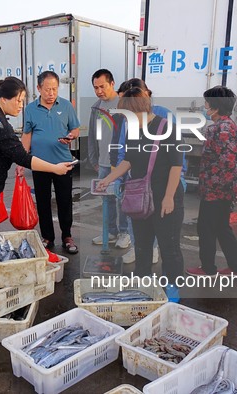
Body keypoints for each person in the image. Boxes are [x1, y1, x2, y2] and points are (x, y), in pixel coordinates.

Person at [0, 77, 73, 266]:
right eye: (18, 100)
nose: (21, 105)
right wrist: (55, 168)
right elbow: (22, 157)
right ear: (4, 99)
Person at [97, 87, 185, 301]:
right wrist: (109, 178)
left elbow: (176, 166)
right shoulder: (134, 129)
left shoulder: (168, 128)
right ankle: (142, 286)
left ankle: (172, 289)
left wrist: (168, 197)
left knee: (169, 247)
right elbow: (128, 160)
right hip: (140, 199)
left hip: (166, 198)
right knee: (143, 246)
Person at [186, 86, 237, 277]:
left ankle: (208, 268)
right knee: (222, 227)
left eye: (207, 103)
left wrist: (223, 189)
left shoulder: (218, 128)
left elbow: (227, 162)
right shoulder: (230, 125)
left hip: (215, 189)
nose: (205, 106)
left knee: (205, 228)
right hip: (223, 188)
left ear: (215, 106)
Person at [20, 71, 80, 254]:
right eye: (47, 89)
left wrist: (71, 136)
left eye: (54, 89)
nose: (51, 93)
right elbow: (27, 135)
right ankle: (47, 237)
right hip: (39, 164)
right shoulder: (30, 109)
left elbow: (75, 129)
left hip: (63, 164)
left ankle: (67, 236)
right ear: (39, 88)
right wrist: (22, 162)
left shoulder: (66, 106)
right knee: (43, 201)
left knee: (64, 201)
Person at [87, 69, 130, 249]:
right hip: (104, 163)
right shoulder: (97, 107)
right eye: (95, 87)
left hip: (123, 163)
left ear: (112, 84)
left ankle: (125, 232)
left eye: (102, 86)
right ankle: (110, 232)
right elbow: (93, 135)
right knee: (107, 199)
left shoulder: (123, 105)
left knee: (124, 199)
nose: (99, 91)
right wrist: (94, 160)